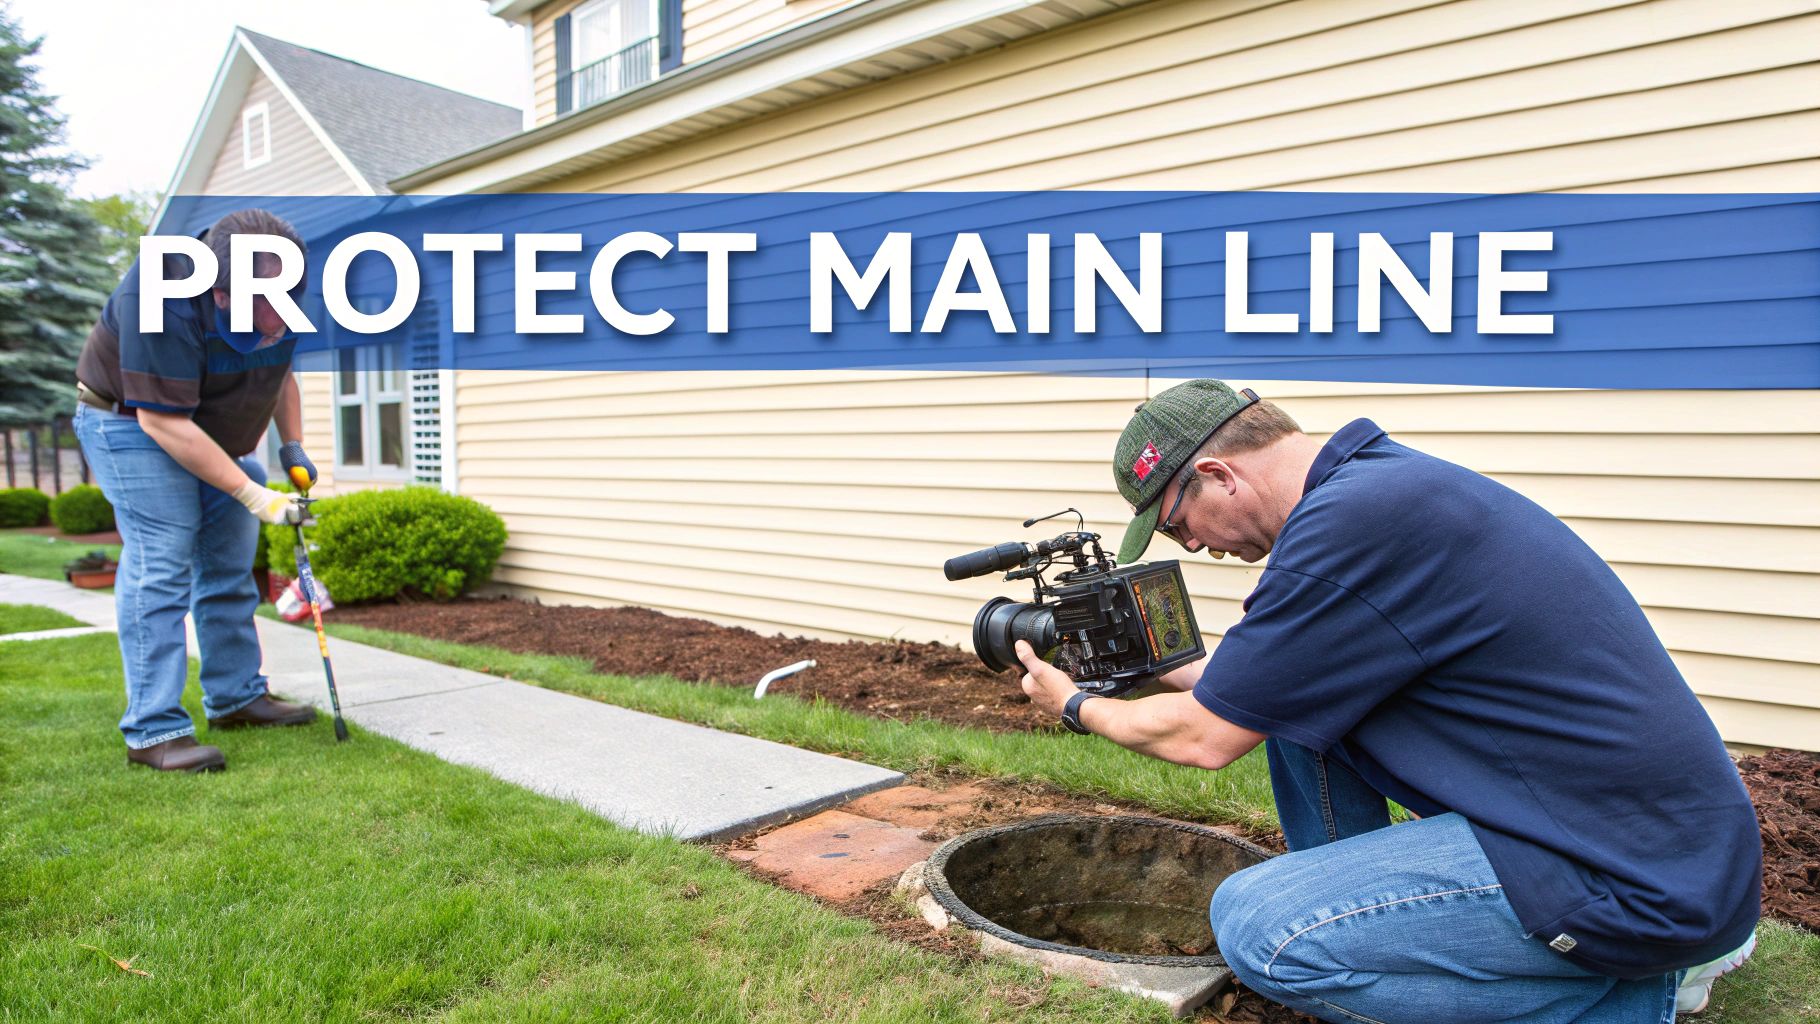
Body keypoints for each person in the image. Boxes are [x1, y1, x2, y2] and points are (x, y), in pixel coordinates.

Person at [1013, 379, 1762, 1023]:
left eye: (1177, 524)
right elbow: (1249, 694)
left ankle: (1630, 993)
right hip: (1629, 833)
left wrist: (1073, 703)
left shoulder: (1352, 526)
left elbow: (1204, 738)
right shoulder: (1379, 491)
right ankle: (1363, 922)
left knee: (1259, 930)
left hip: (1632, 878)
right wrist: (1156, 663)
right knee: (1293, 718)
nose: (1194, 546)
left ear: (1218, 474)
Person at [73, 208, 323, 773]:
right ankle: (153, 730)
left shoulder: (280, 292)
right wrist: (255, 496)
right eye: (263, 313)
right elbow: (161, 422)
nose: (277, 325)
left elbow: (281, 373)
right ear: (220, 293)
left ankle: (237, 698)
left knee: (229, 563)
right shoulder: (159, 295)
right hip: (128, 421)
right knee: (161, 561)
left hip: (207, 430)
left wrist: (292, 448)